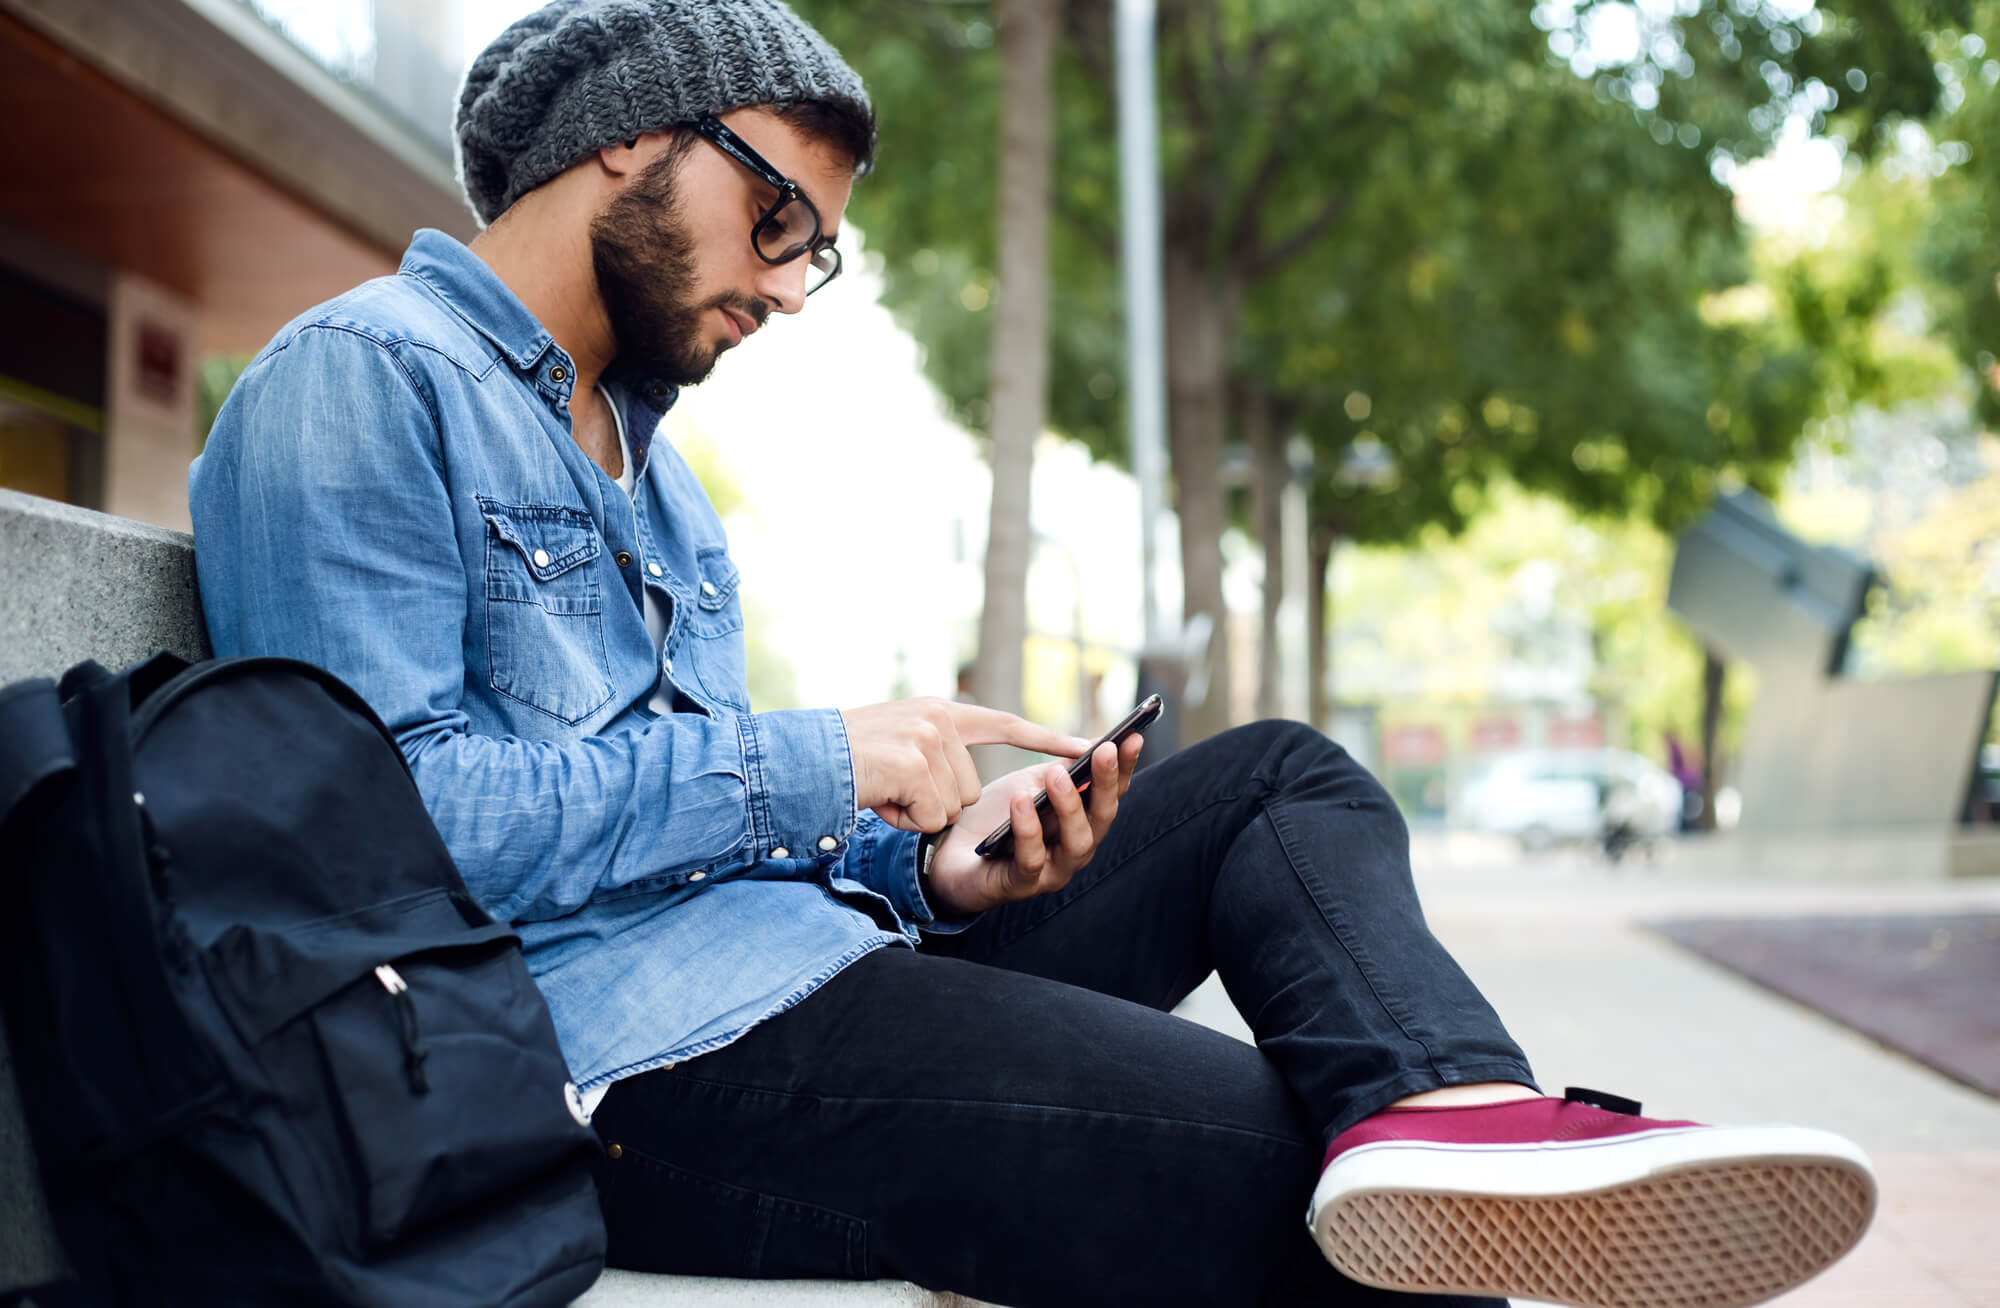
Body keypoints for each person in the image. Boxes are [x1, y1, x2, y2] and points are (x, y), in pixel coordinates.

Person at [188, 3, 1876, 1304]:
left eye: (815, 254)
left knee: (1281, 789)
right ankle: (1423, 1155)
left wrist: (932, 871)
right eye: (781, 220)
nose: (790, 290)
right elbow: (384, 848)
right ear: (628, 142)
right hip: (614, 1073)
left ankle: (1456, 1108)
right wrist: (816, 754)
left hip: (807, 975)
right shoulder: (363, 381)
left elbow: (671, 803)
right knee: (1319, 1194)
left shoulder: (654, 463)